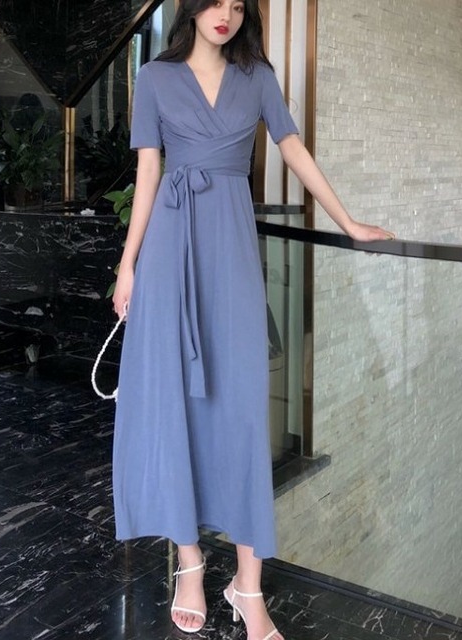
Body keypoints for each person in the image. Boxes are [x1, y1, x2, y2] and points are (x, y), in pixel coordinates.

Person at [111, 1, 394, 638]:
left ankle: (247, 584)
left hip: (232, 254)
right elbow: (149, 170)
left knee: (241, 408)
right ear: (192, 7)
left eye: (238, 5)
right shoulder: (154, 78)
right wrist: (128, 265)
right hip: (170, 250)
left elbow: (294, 149)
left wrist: (348, 222)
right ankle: (189, 563)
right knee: (175, 404)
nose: (226, 14)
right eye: (215, 2)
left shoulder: (257, 78)